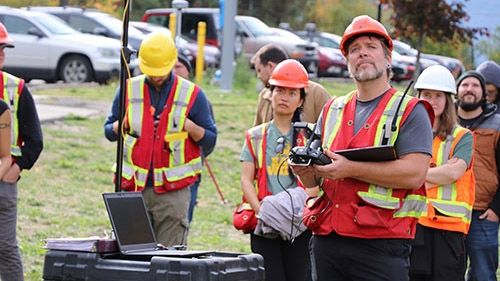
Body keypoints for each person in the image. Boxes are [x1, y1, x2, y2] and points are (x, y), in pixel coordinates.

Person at [290, 15, 434, 281]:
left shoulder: (410, 110)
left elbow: (415, 173)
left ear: (388, 58)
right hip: (327, 238)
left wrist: (350, 169)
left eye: (371, 46)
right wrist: (303, 170)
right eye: (354, 50)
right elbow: (317, 177)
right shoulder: (332, 108)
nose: (362, 53)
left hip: (381, 244)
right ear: (347, 62)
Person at [104, 31, 217, 247]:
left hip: (172, 195)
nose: (156, 76)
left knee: (169, 262)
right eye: (151, 71)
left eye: (161, 71)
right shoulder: (128, 89)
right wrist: (121, 125)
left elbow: (210, 140)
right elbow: (108, 131)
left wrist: (191, 127)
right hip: (132, 190)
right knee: (131, 256)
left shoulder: (193, 94)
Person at [240, 59, 318, 281]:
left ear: (301, 99)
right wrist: (260, 210)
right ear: (270, 94)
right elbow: (246, 179)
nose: (284, 97)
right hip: (265, 224)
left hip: (300, 226)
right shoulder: (255, 135)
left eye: (292, 93)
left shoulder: (311, 137)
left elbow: (319, 183)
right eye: (280, 90)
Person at [409, 65, 475, 281]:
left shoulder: (462, 136)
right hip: (414, 224)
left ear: (448, 100)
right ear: (418, 96)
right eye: (427, 94)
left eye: (438, 95)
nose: (432, 100)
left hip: (450, 230)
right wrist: (433, 172)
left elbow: (453, 173)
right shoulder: (407, 133)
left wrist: (414, 173)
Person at [0, 22, 43, 281]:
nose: (2, 54)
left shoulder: (16, 88)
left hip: (4, 184)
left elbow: (35, 141)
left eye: (3, 48)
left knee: (5, 248)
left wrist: (15, 170)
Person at [456, 70, 500, 281]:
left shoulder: (497, 125)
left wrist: (496, 209)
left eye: (475, 85)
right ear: (456, 91)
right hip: (449, 212)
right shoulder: (445, 122)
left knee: (484, 274)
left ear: (484, 94)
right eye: (464, 85)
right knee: (449, 271)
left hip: (483, 212)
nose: (469, 89)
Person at [173, 50, 215, 224]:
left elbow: (210, 141)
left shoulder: (197, 97)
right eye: (171, 67)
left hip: (187, 175)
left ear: (187, 71)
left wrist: (191, 128)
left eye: (179, 66)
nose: (174, 71)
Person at [252, 43, 331, 126]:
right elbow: (257, 134)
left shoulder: (317, 93)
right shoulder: (264, 96)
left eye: (259, 70)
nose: (259, 76)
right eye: (279, 91)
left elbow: (331, 131)